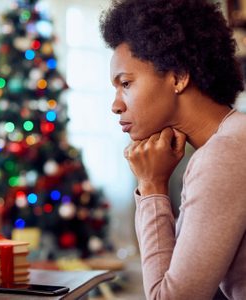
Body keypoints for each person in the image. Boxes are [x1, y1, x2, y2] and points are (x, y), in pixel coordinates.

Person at [99, 0, 246, 299]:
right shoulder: (234, 138)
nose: (115, 105)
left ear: (178, 77)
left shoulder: (224, 153)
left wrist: (152, 186)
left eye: (126, 83)